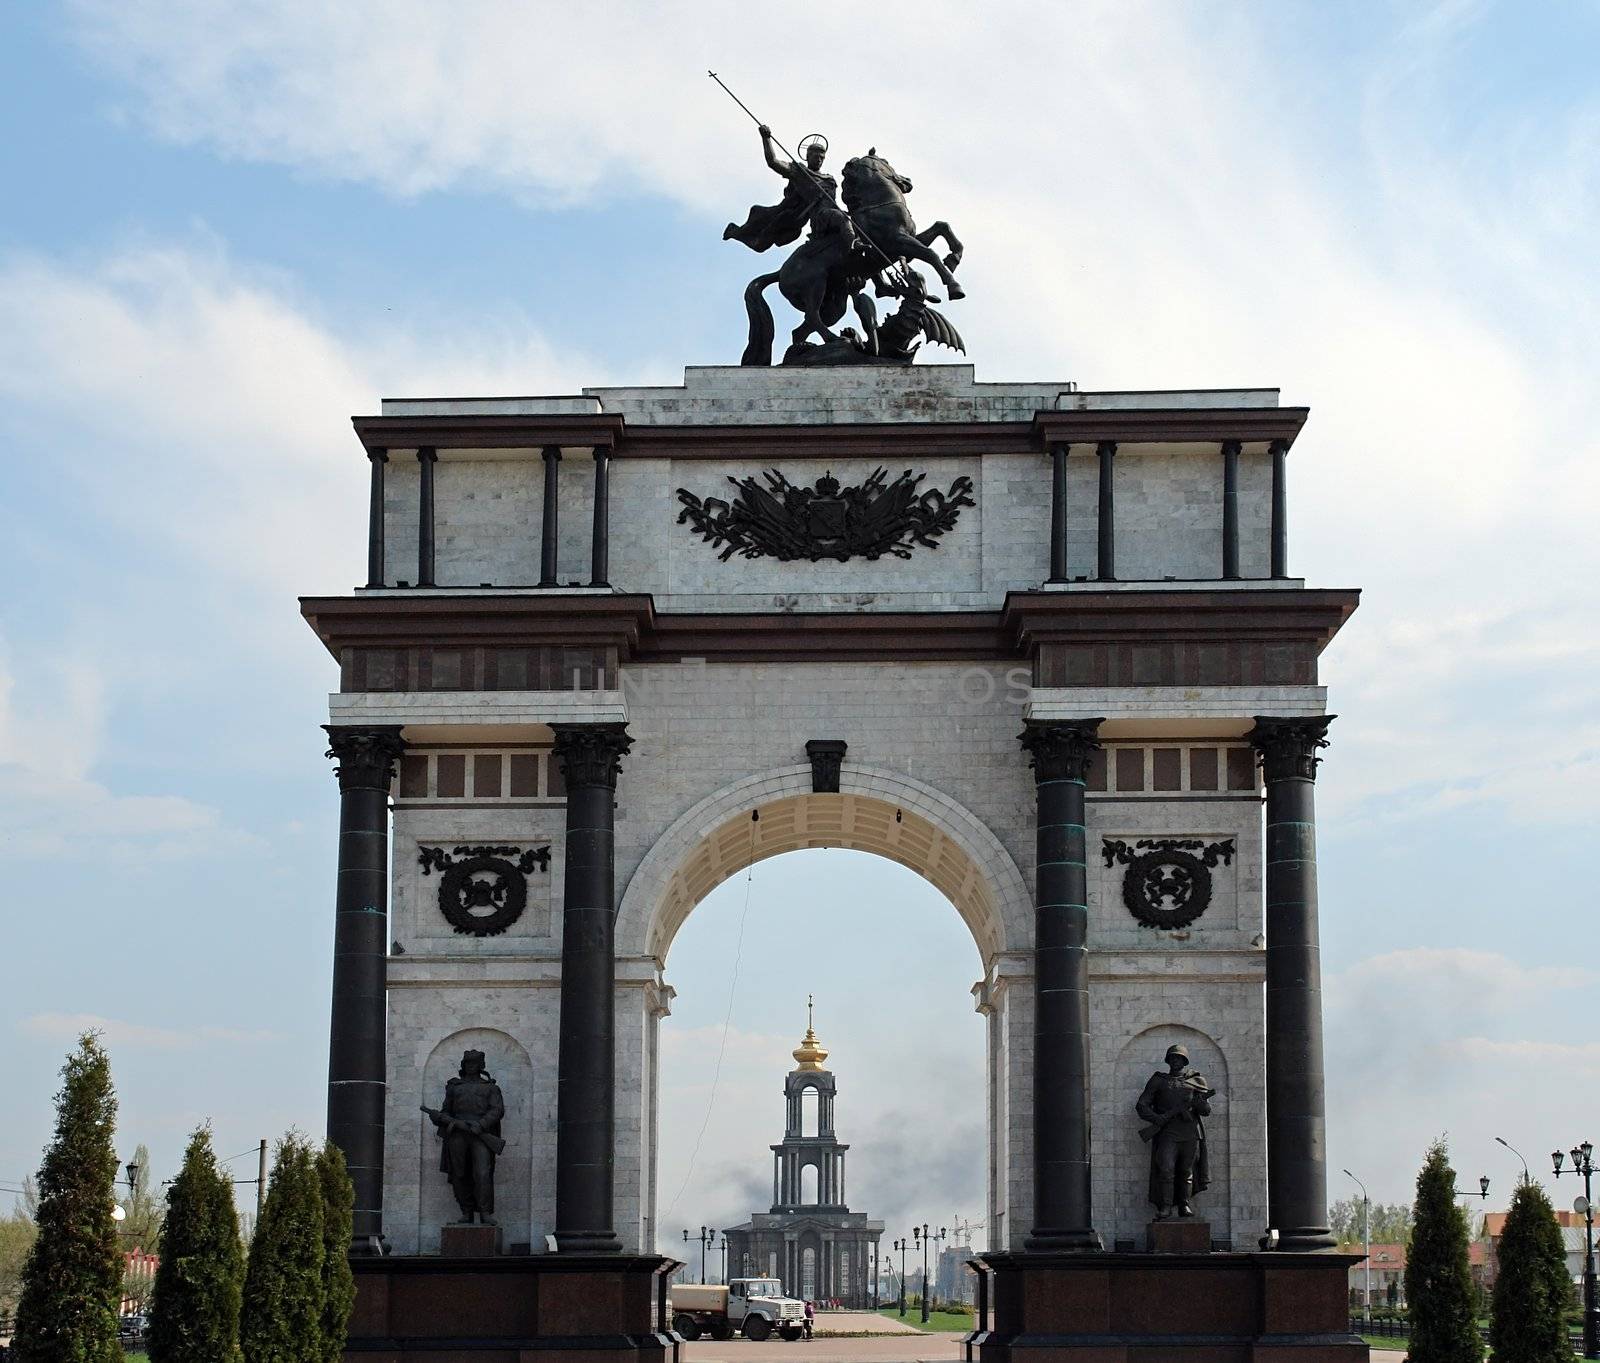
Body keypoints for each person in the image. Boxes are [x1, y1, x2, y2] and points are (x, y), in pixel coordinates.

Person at [725, 128, 850, 254]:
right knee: (759, 246)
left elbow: (830, 204)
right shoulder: (798, 171)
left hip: (808, 222)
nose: (819, 160)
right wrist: (766, 138)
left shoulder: (829, 181)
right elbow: (773, 162)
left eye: (822, 157)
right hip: (787, 216)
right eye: (816, 156)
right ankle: (734, 232)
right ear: (807, 156)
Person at [422, 1049, 506, 1224]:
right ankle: (466, 1211)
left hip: (480, 1134)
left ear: (481, 1066)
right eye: (467, 1063)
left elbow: (497, 1110)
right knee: (459, 1173)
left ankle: (484, 1212)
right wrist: (439, 1118)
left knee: (482, 1173)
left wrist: (481, 1125)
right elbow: (446, 1112)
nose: (470, 1066)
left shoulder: (491, 1088)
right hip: (458, 1134)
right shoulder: (454, 1087)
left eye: (474, 1063)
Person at [1135, 1043, 1216, 1220]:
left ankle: (1184, 1205)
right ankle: (1165, 1207)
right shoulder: (1158, 1080)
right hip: (1167, 1133)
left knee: (1187, 1171)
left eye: (1179, 1058)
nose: (1175, 1060)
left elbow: (1206, 1111)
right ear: (1168, 1060)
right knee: (1166, 1169)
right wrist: (1157, 1119)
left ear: (1184, 1061)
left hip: (1189, 1133)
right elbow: (1141, 1105)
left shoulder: (1195, 1080)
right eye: (1172, 1057)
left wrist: (1200, 1102)